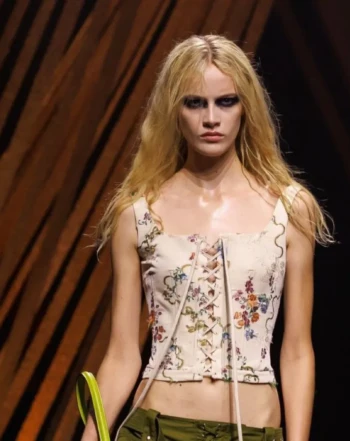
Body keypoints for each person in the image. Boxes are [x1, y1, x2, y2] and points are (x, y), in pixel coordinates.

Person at [80, 34, 334, 441]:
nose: (211, 118)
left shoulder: (290, 210)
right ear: (173, 110)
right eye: (195, 102)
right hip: (155, 428)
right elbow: (122, 354)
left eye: (226, 101)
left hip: (253, 429)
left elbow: (298, 350)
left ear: (246, 107)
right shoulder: (138, 214)